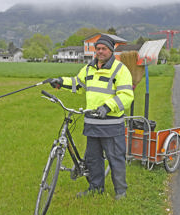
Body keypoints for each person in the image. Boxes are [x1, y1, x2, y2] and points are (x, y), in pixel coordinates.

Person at [49, 35, 134, 200]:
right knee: (93, 159)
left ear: (111, 50)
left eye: (104, 49)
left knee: (115, 158)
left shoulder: (120, 70)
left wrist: (107, 106)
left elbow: (126, 95)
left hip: (111, 125)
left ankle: (121, 192)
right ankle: (96, 188)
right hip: (92, 124)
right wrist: (60, 81)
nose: (100, 52)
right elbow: (77, 83)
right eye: (98, 48)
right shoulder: (88, 68)